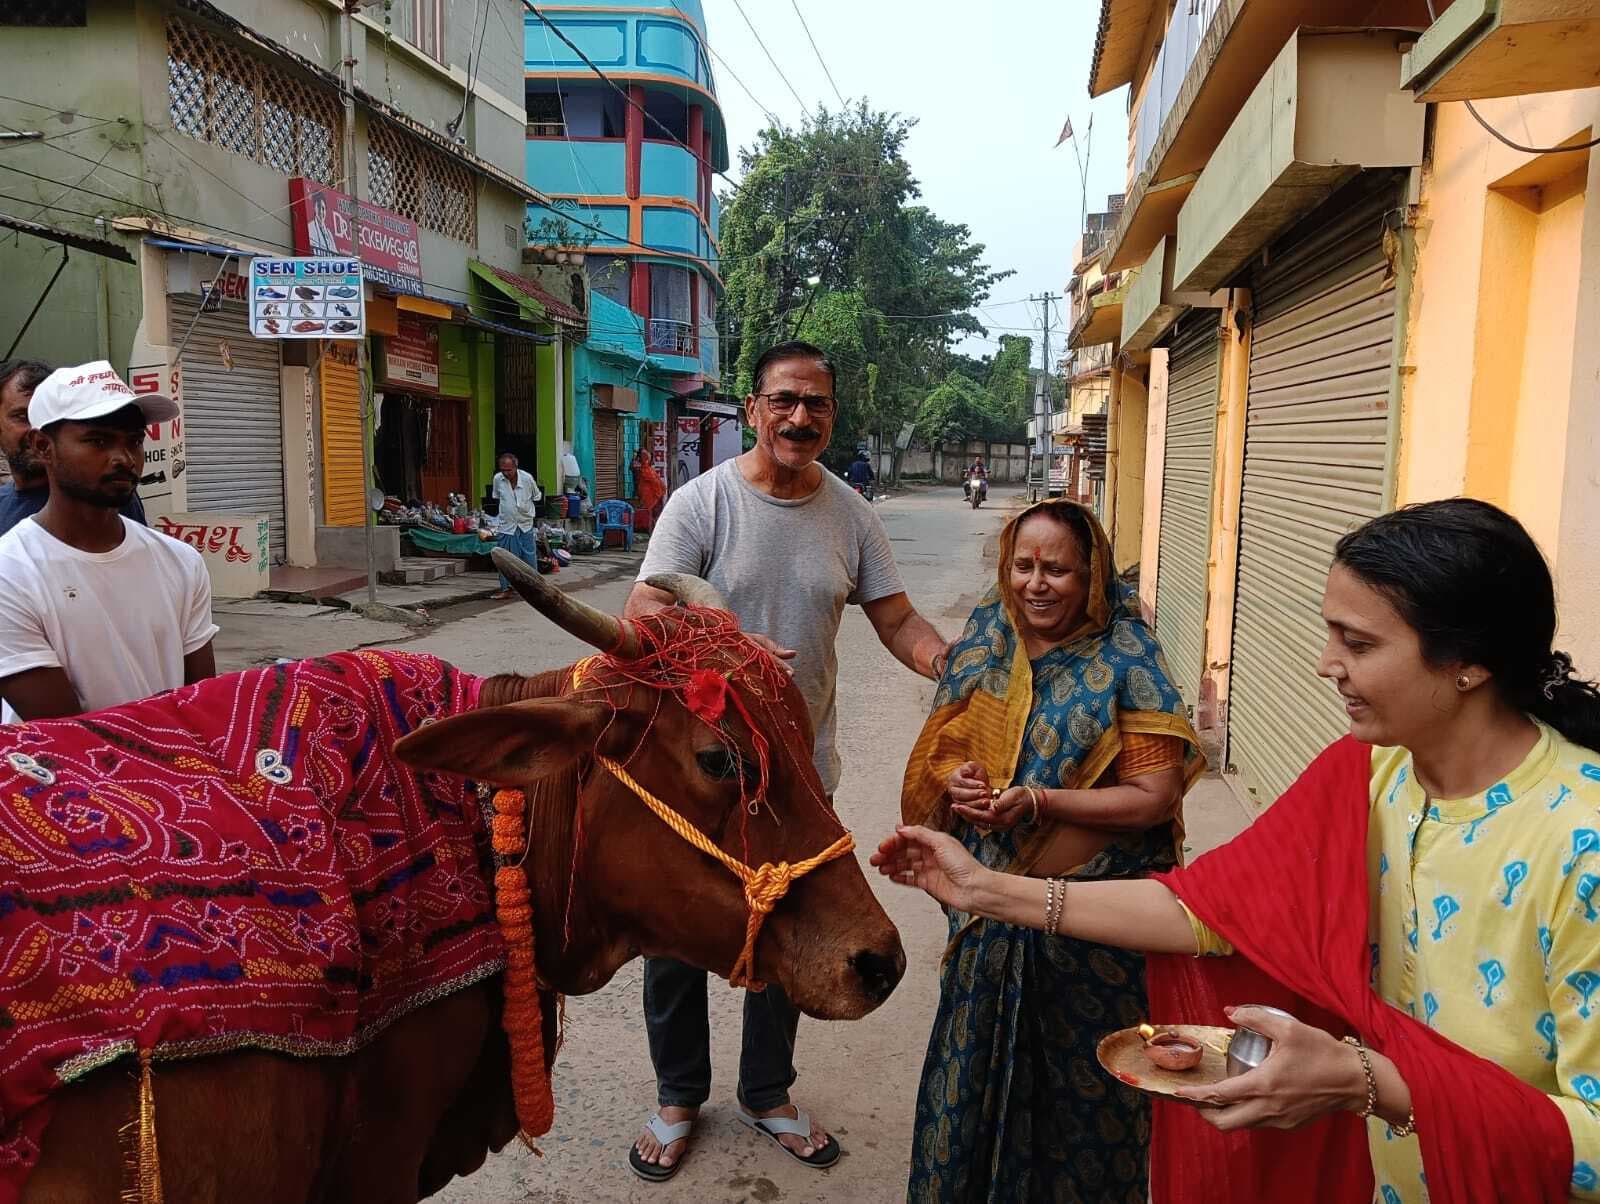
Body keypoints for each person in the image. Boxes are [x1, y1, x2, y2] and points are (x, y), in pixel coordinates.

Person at [874, 498, 1599, 1204]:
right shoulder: (1369, 775)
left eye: (1359, 644)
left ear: (1469, 661)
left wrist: (1368, 1082)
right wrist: (983, 890)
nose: (1326, 665)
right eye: (1331, 635)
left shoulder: (1582, 843)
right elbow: (1209, 909)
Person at [624, 339, 952, 1181]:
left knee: (788, 926)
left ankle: (767, 1093)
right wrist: (723, 643)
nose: (800, 417)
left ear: (832, 415)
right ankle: (678, 1097)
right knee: (679, 939)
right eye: (784, 400)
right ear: (753, 409)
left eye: (817, 404)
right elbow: (644, 610)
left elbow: (895, 618)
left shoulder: (851, 515)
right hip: (699, 777)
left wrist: (949, 661)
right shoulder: (702, 504)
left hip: (799, 775)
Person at [896, 497, 1202, 1202]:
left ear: (1090, 576)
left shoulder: (1127, 658)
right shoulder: (989, 642)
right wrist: (960, 779)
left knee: (1082, 1109)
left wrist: (1040, 801)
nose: (1036, 584)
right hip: (989, 920)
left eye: (1057, 570)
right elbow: (951, 747)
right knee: (968, 1091)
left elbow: (1154, 796)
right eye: (1023, 566)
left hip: (1091, 939)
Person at [0, 362, 216, 725]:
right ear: (43, 446)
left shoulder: (181, 561)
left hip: (172, 757)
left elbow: (202, 703)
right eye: (98, 441)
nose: (124, 459)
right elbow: (68, 733)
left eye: (134, 441)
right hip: (61, 761)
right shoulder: (11, 571)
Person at [0, 359, 146, 535]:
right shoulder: (4, 503)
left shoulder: (99, 495)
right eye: (23, 416)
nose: (38, 428)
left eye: (49, 418)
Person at [488, 452, 541, 601]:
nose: (506, 473)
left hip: (525, 523)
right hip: (507, 525)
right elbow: (497, 497)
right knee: (505, 559)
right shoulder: (498, 479)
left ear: (516, 466)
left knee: (529, 558)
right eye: (503, 470)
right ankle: (507, 589)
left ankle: (534, 589)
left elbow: (537, 496)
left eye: (509, 470)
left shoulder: (527, 478)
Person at [631, 443, 666, 523]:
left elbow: (656, 481)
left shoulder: (648, 469)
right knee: (650, 512)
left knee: (652, 513)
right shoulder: (642, 469)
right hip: (648, 493)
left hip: (652, 493)